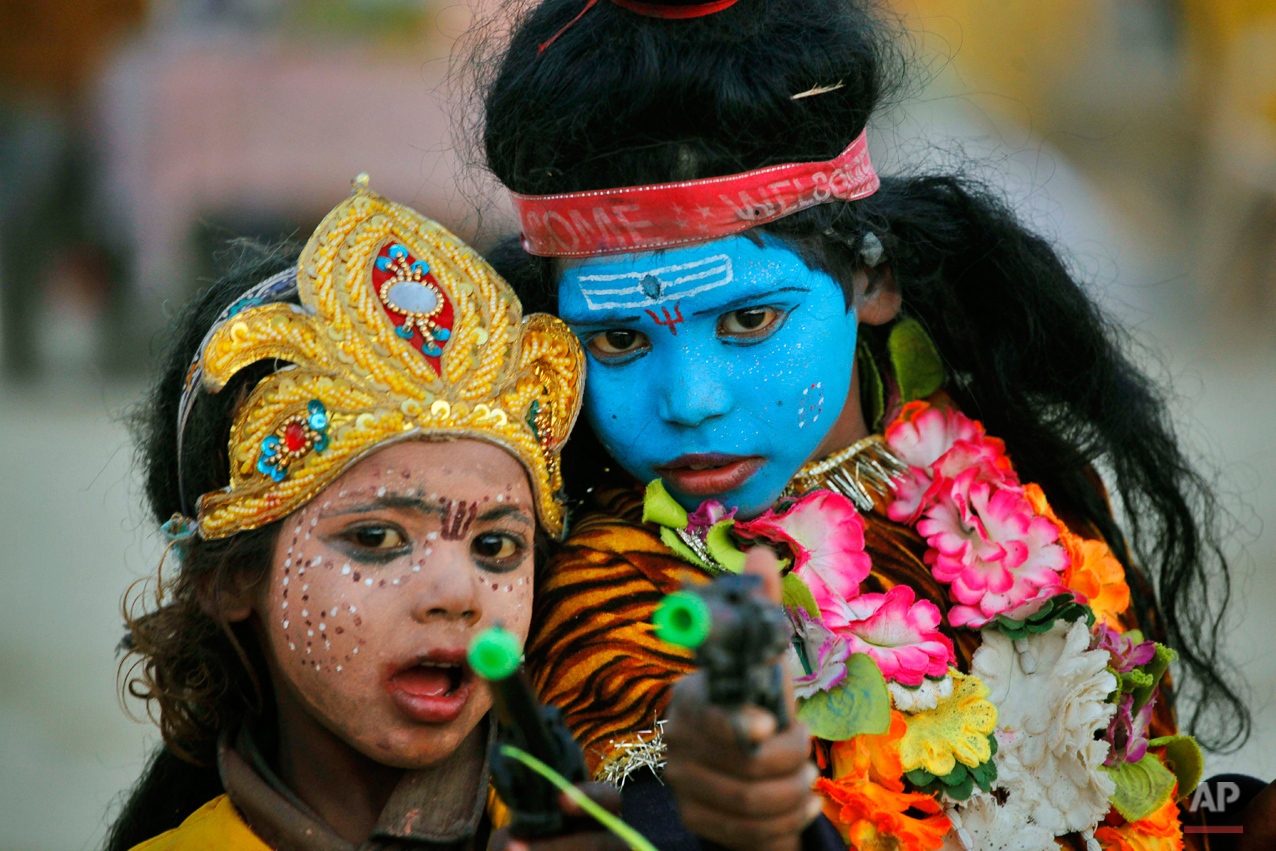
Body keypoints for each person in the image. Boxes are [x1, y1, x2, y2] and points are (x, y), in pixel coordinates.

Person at [472, 1, 1270, 848]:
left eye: (748, 322)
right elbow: (646, 805)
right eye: (620, 339)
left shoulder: (1024, 499)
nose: (690, 399)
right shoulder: (612, 601)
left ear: (871, 278)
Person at [106, 177, 603, 850]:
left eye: (496, 548)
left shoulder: (607, 821)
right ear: (229, 579)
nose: (457, 594)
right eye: (377, 537)